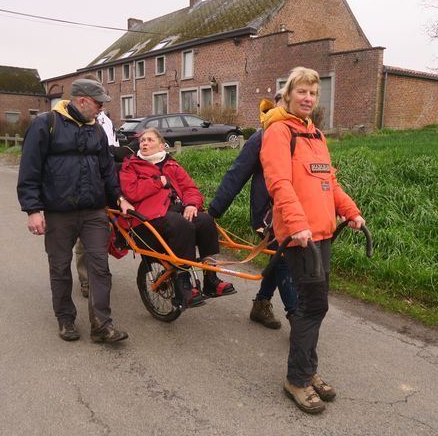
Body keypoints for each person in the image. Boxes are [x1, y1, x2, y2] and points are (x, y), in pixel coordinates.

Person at [261, 67, 366, 414]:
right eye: (301, 92)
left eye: (313, 93)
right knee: (312, 307)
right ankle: (297, 379)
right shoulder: (278, 132)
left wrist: (350, 212)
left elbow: (329, 182)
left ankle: (307, 369)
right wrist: (297, 224)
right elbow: (279, 183)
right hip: (300, 236)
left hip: (322, 234)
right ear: (288, 95)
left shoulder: (316, 135)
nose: (307, 98)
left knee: (315, 306)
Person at [17, 78, 134, 343]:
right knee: (59, 267)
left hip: (93, 212)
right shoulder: (46, 124)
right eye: (99, 103)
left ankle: (101, 325)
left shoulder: (97, 131)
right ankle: (66, 319)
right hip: (59, 212)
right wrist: (32, 209)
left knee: (99, 267)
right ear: (82, 100)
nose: (102, 108)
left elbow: (106, 170)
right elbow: (30, 169)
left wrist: (119, 198)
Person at [208, 92, 297, 329]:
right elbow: (236, 175)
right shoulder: (262, 137)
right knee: (284, 258)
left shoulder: (302, 134)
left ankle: (260, 304)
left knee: (279, 259)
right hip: (268, 216)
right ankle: (297, 317)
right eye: (284, 104)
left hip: (296, 211)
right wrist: (214, 212)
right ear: (276, 106)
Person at [119, 128, 236, 308]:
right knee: (181, 224)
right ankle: (183, 284)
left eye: (150, 140)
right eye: (143, 140)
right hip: (148, 217)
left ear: (161, 145)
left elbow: (191, 189)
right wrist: (159, 181)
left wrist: (191, 204)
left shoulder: (171, 165)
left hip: (178, 210)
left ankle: (211, 278)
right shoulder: (131, 166)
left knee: (205, 220)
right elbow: (131, 192)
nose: (144, 143)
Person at [74, 110, 120, 298]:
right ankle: (86, 280)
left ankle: (100, 275)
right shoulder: (77, 122)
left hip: (106, 177)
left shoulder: (106, 120)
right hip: (85, 183)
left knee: (101, 234)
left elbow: (113, 147)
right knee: (84, 238)